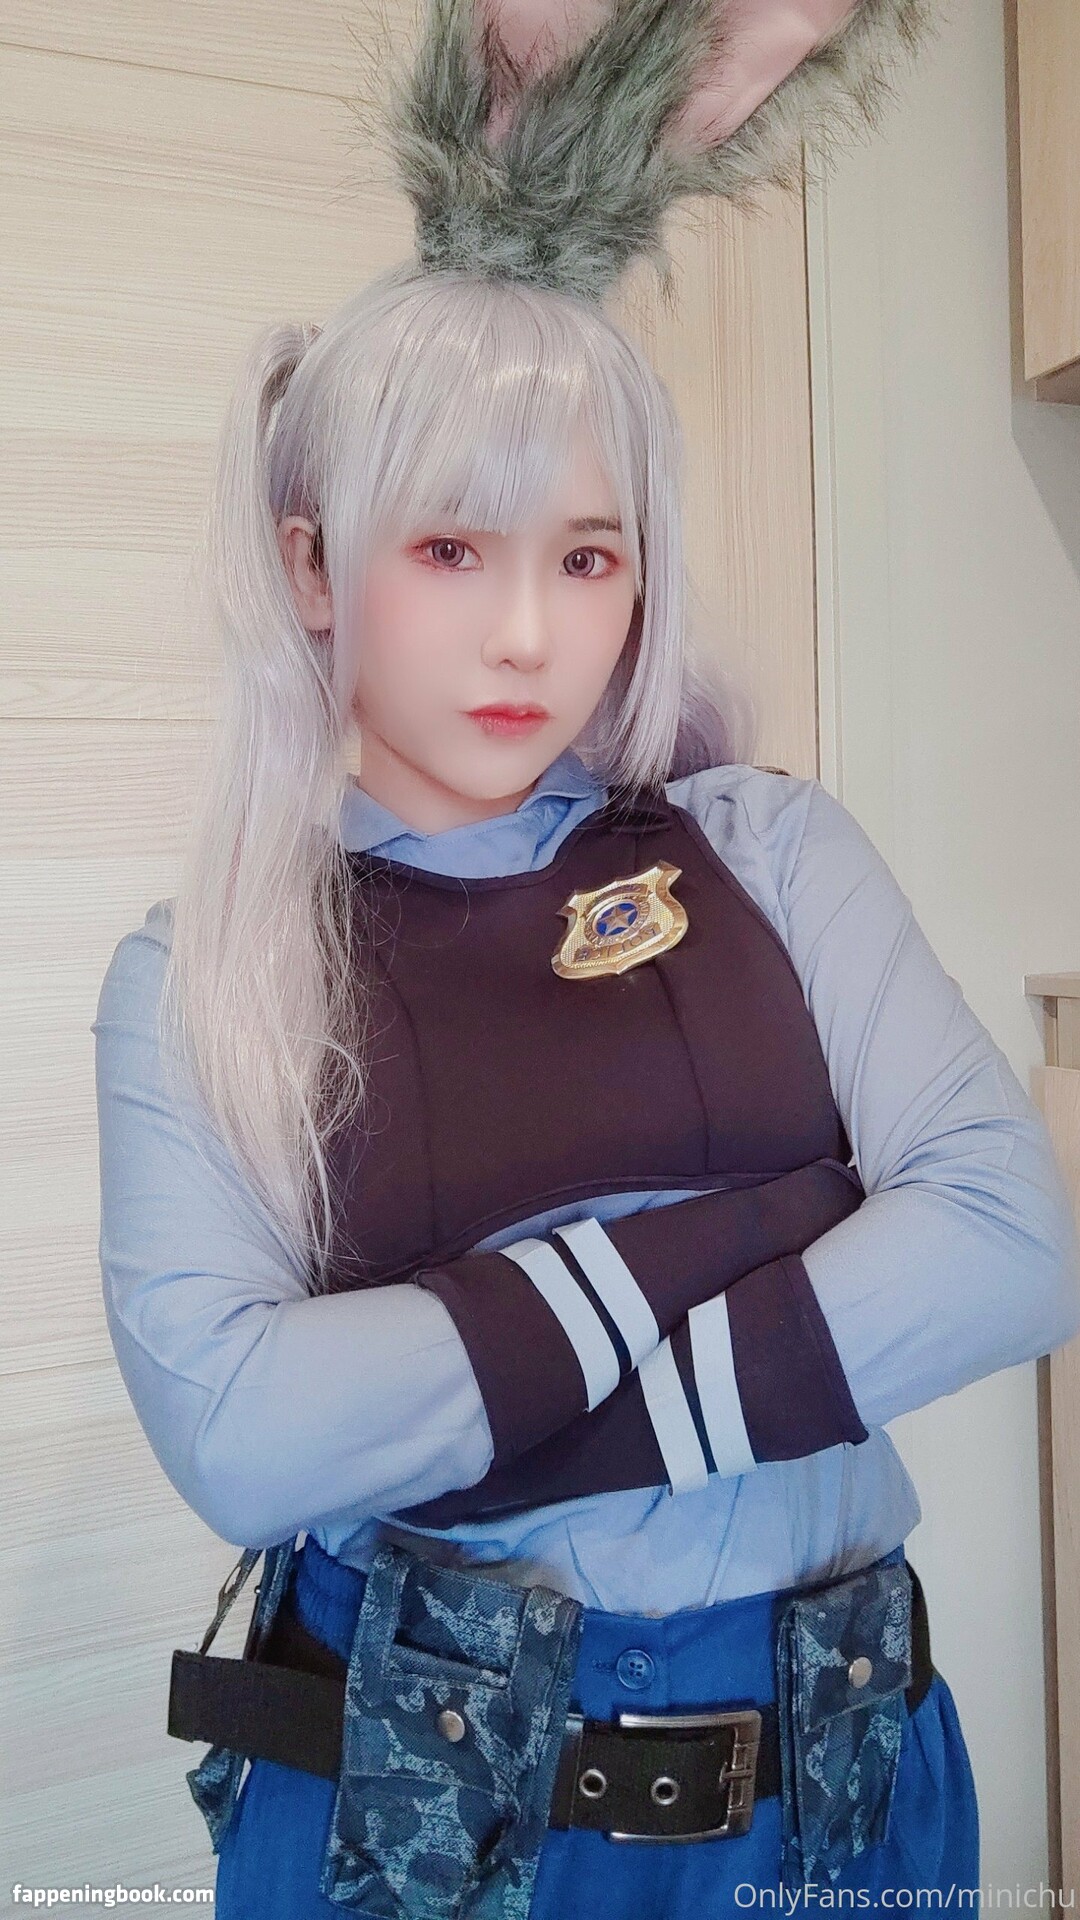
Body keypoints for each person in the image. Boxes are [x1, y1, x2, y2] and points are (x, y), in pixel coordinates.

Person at [92, 1, 1080, 1913]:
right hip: (421, 1813)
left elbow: (1013, 1245)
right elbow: (246, 1437)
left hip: (838, 1789)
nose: (531, 638)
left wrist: (491, 1402)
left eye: (591, 557)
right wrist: (768, 1225)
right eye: (451, 551)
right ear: (314, 564)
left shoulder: (769, 847)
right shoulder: (206, 971)